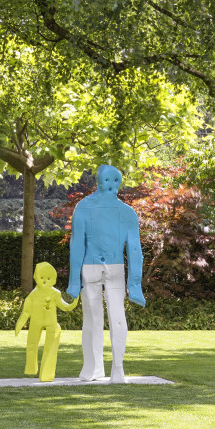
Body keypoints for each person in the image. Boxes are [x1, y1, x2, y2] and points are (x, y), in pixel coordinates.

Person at [66, 164, 146, 384]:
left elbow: (134, 249)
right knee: (99, 318)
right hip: (104, 268)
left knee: (105, 318)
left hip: (103, 268)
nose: (111, 185)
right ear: (100, 182)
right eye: (108, 181)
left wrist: (135, 285)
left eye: (114, 181)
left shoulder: (86, 207)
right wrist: (73, 282)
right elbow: (77, 246)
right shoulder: (124, 212)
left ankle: (110, 369)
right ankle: (97, 369)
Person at [14, 262, 78, 382]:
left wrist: (73, 302)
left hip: (51, 323)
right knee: (32, 345)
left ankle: (47, 373)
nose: (44, 281)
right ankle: (31, 368)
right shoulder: (33, 295)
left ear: (53, 279)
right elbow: (26, 312)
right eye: (42, 278)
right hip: (35, 322)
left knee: (50, 347)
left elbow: (64, 306)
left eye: (48, 278)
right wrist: (19, 324)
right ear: (36, 278)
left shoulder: (55, 293)